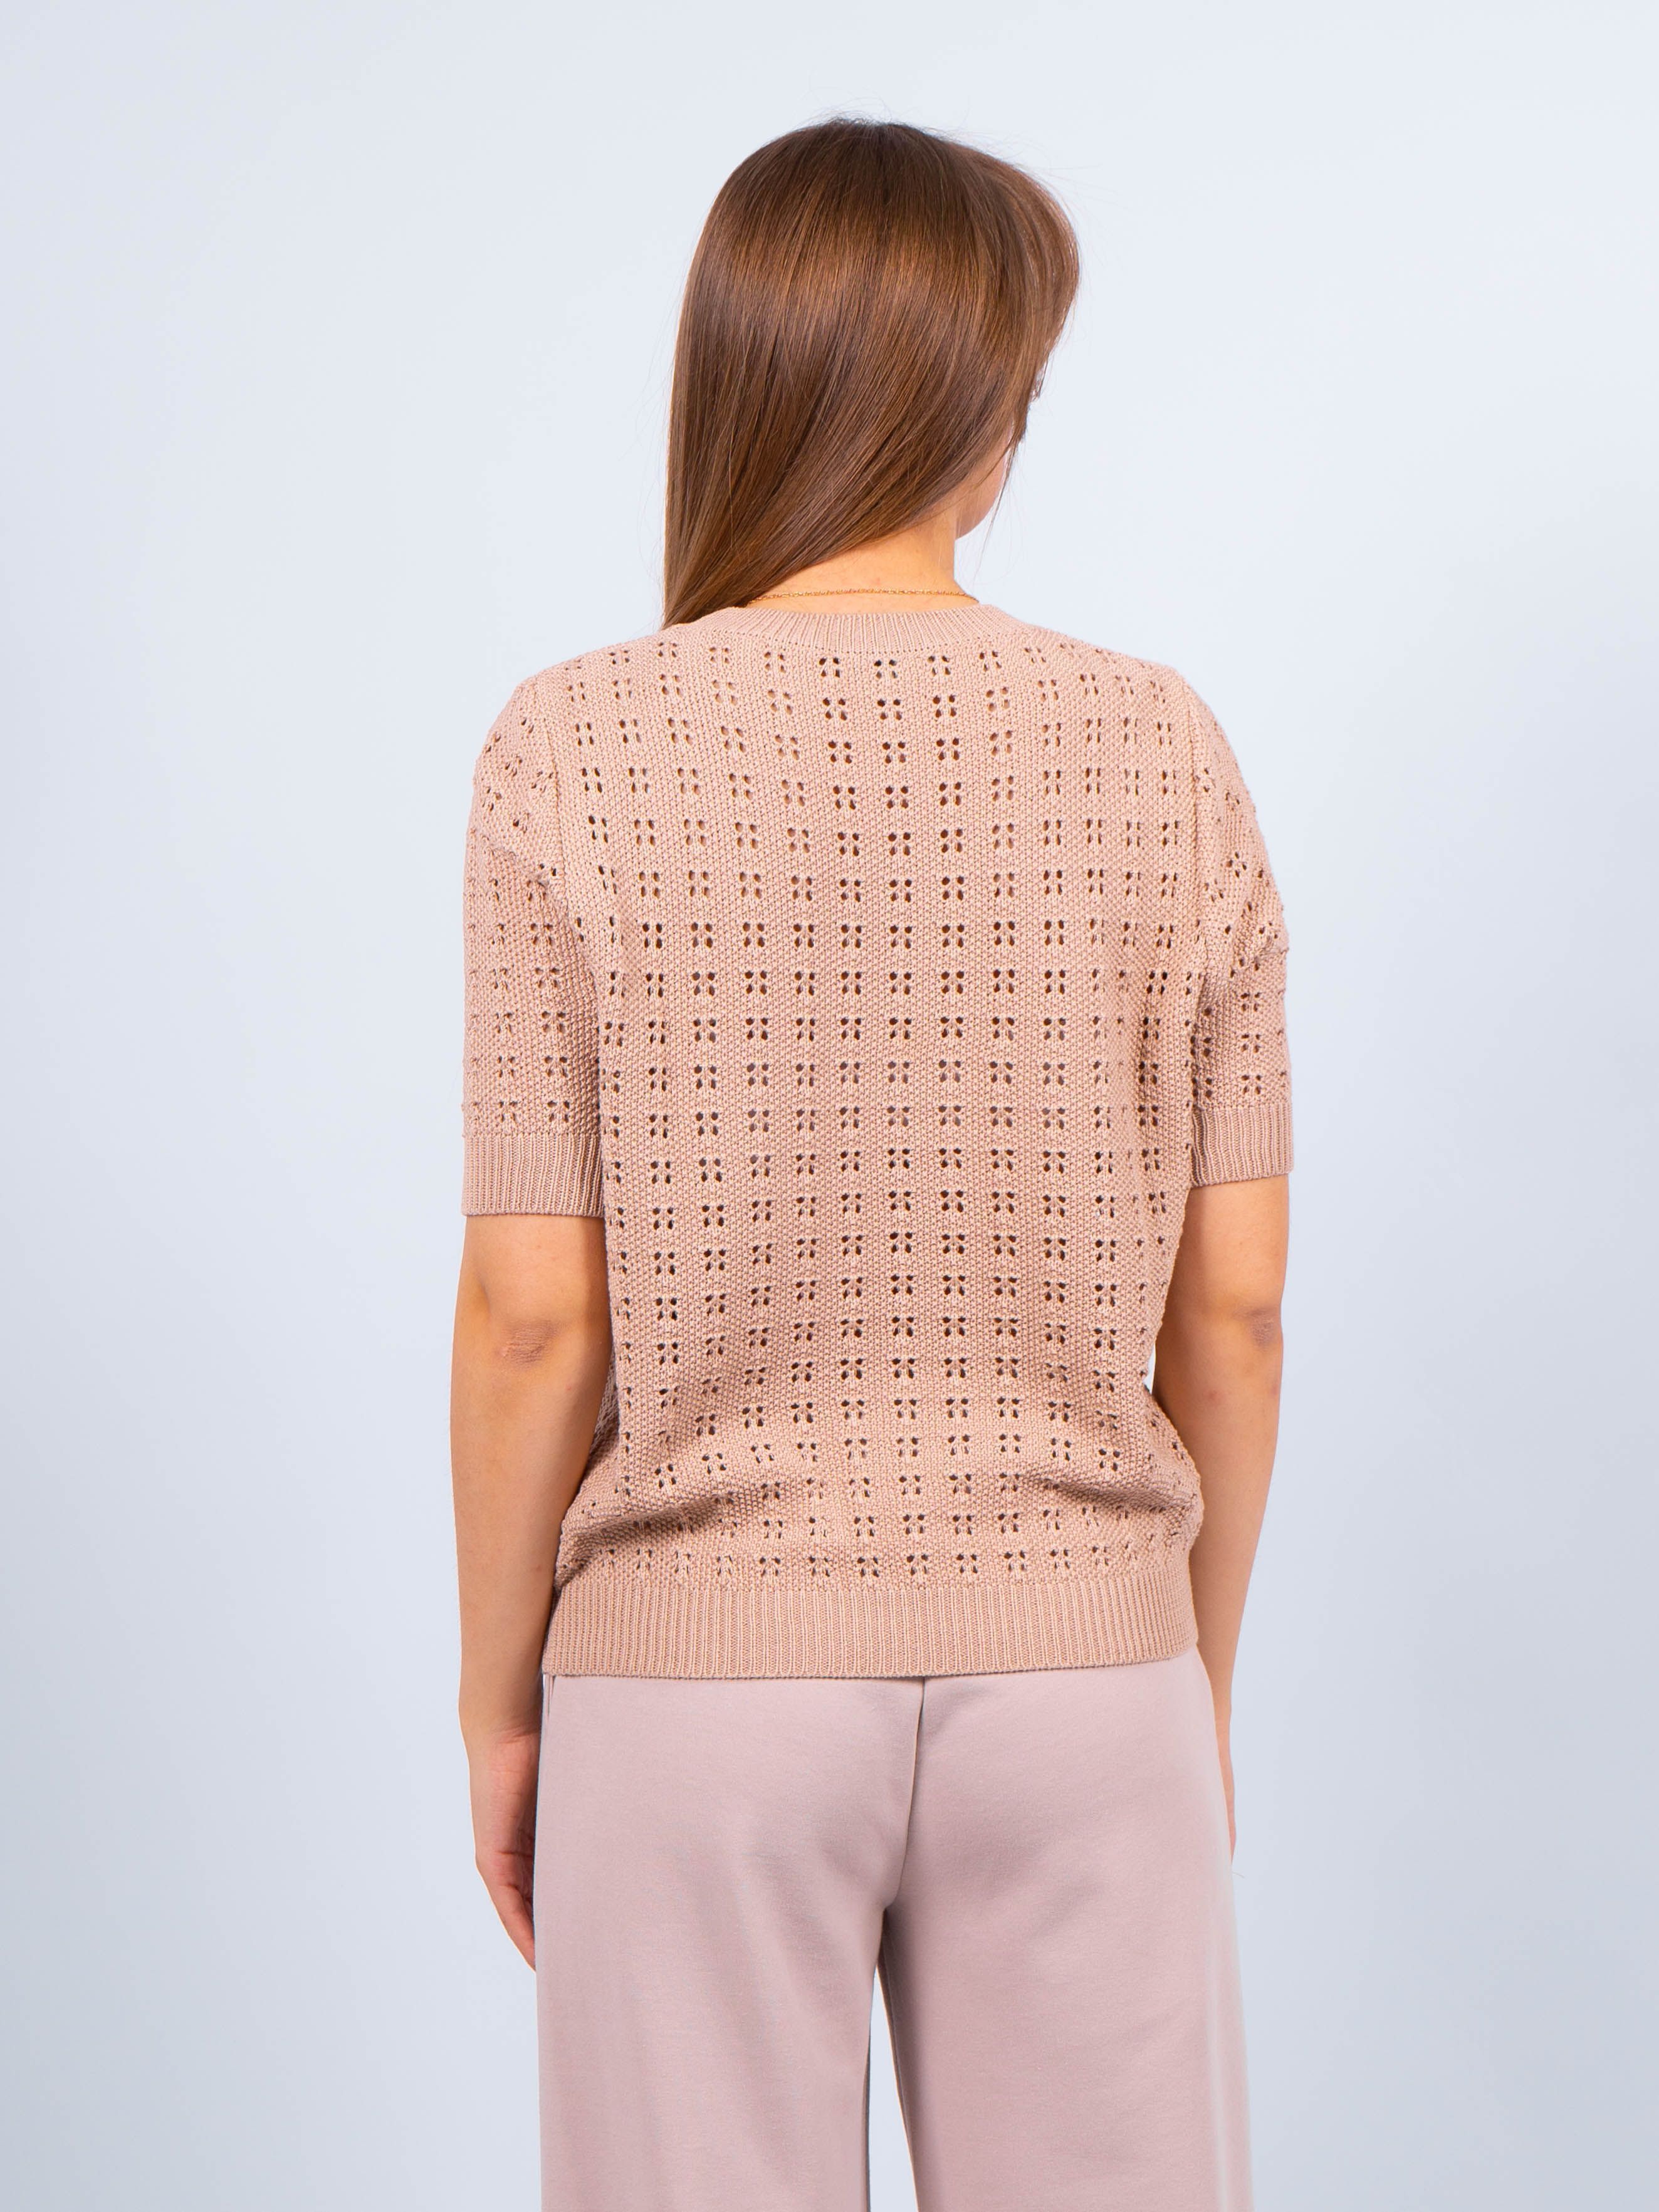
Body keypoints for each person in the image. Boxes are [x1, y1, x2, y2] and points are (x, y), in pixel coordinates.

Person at [451, 117, 1290, 2212]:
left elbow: (534, 1314)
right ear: (981, 422)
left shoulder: (569, 747)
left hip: (691, 1685)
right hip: (1090, 1672)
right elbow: (1238, 1305)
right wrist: (1185, 1671)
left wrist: (498, 1708)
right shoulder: (1167, 747)